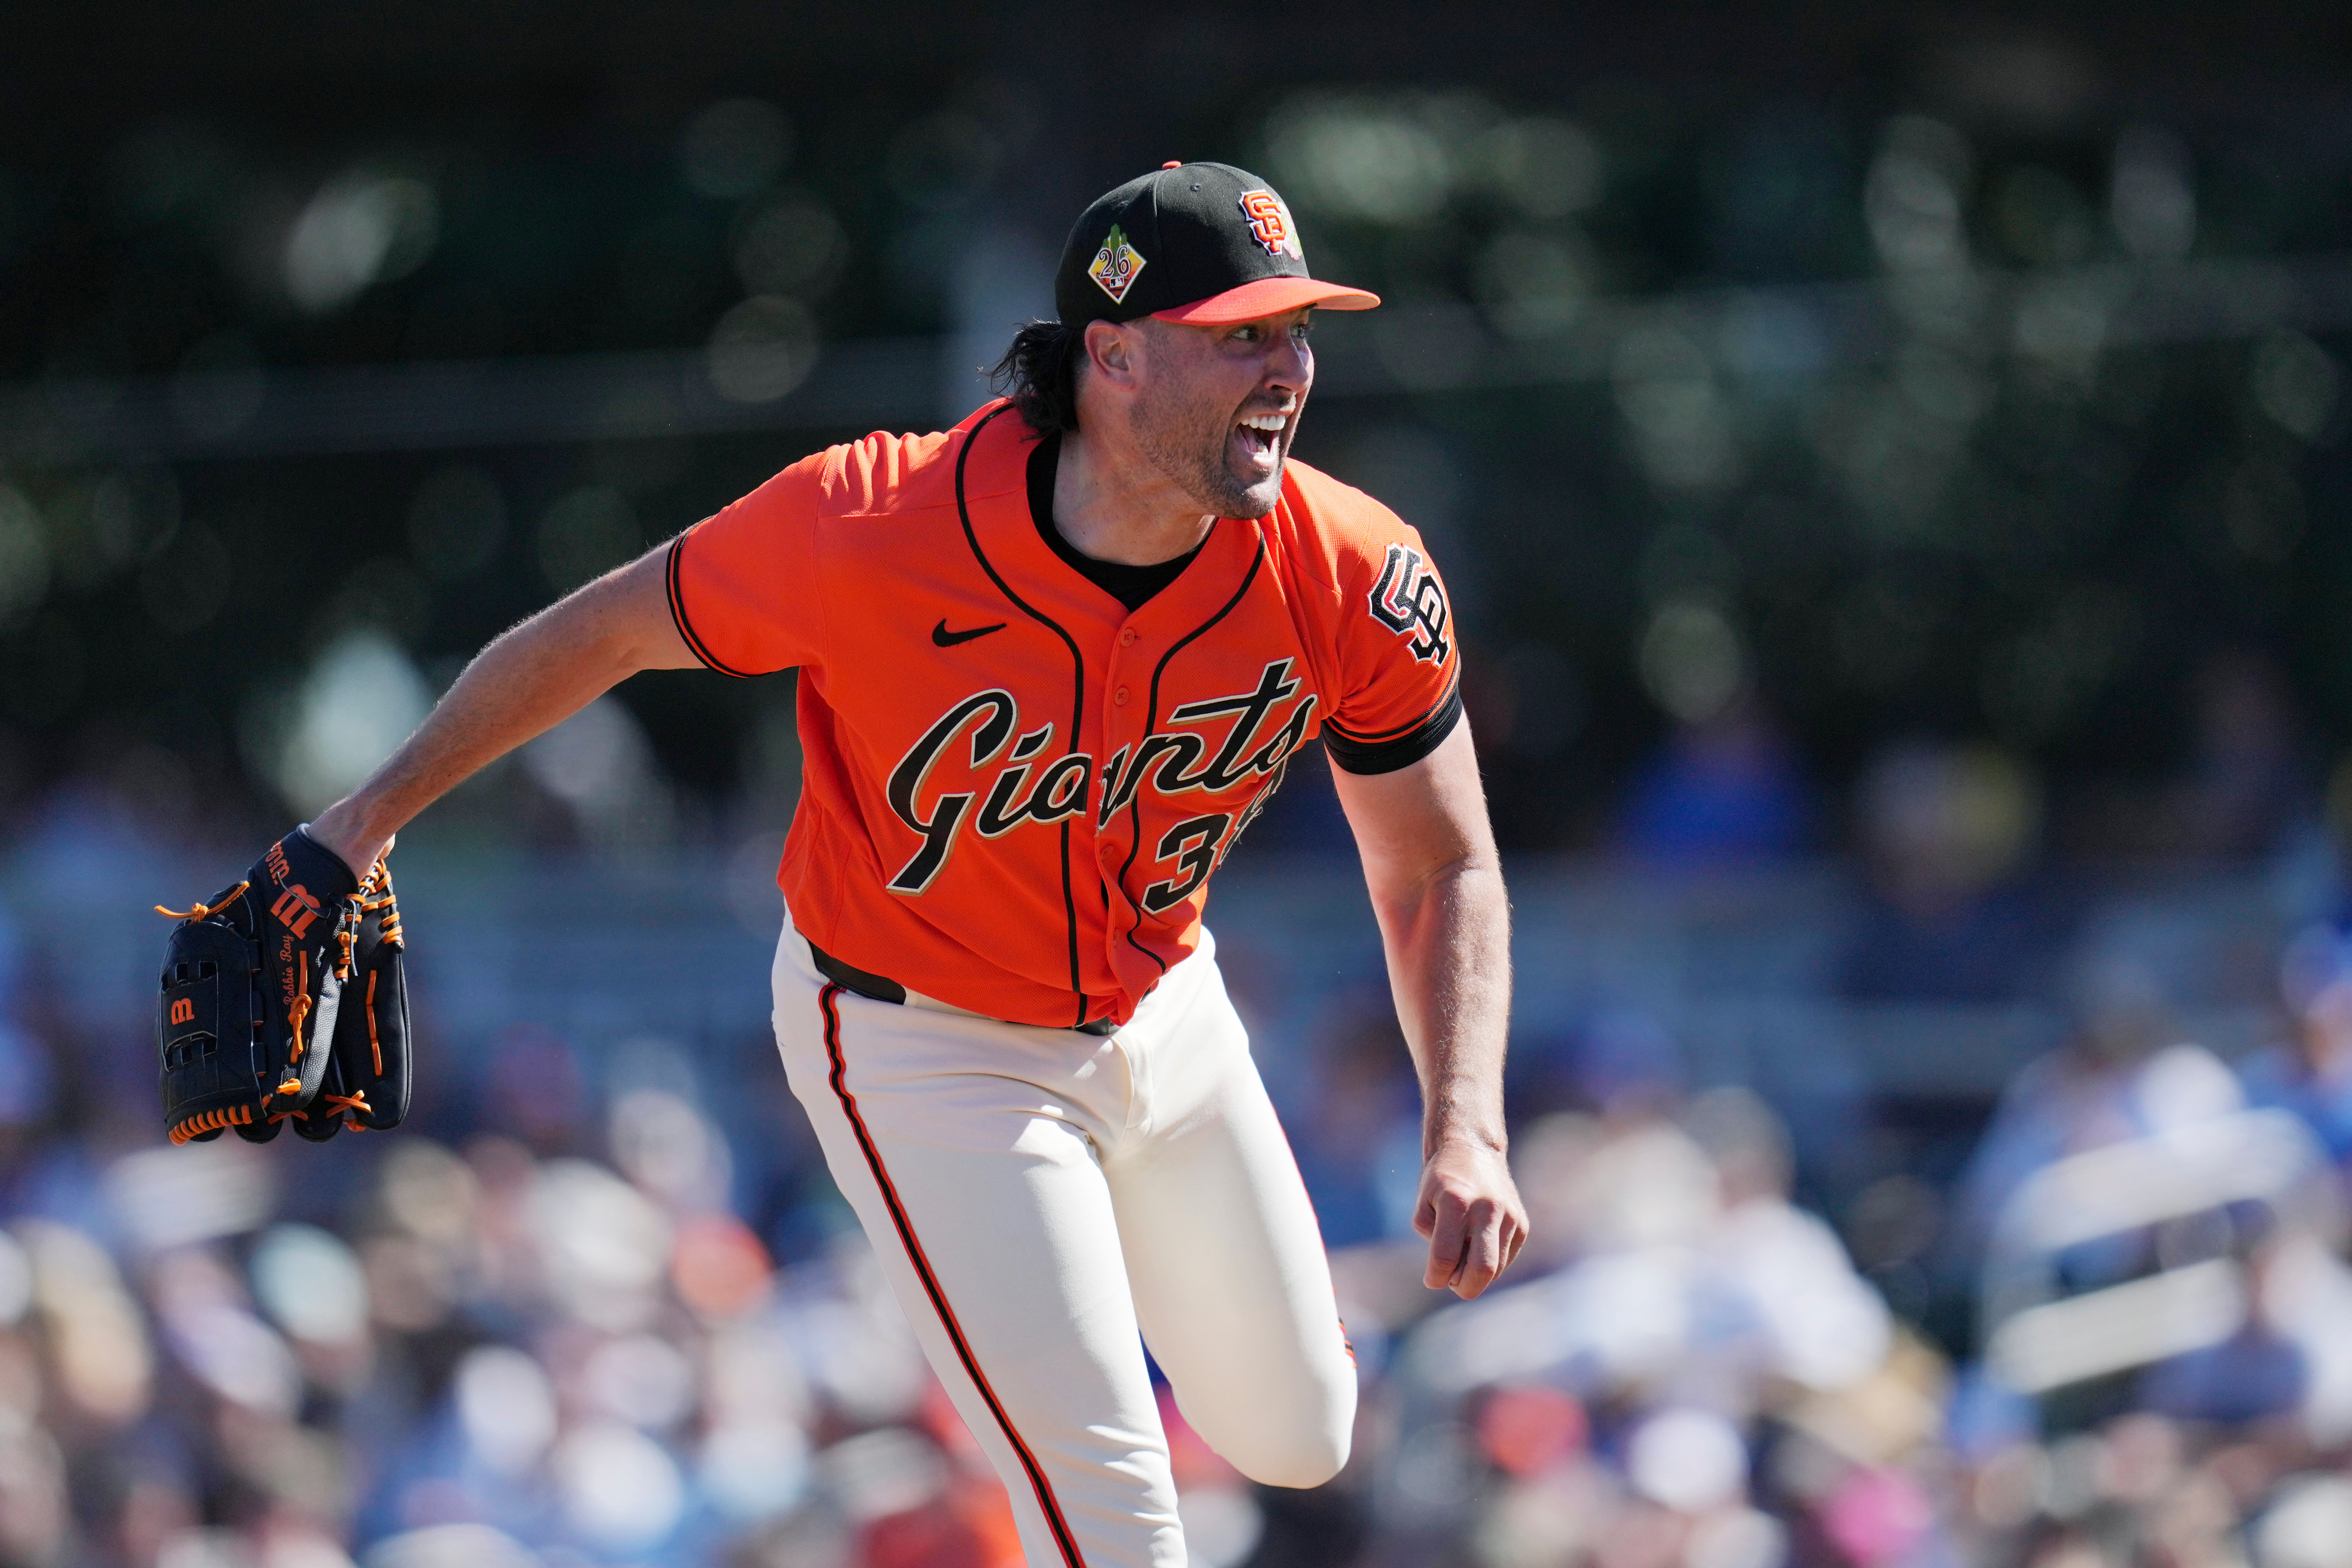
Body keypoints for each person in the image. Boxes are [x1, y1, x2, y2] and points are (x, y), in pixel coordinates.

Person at [306, 161, 1526, 1567]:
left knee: (1303, 1433)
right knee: (1112, 1499)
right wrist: (366, 816)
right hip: (918, 1037)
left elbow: (1440, 866)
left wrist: (1467, 1124)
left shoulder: (1347, 565)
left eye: (1297, 330)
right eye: (1242, 334)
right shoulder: (873, 522)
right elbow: (603, 632)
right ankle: (1002, 1270)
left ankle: (1041, 1264)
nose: (1288, 368)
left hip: (1162, 1009)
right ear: (1114, 357)